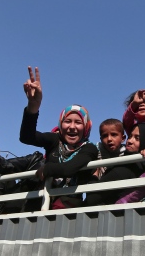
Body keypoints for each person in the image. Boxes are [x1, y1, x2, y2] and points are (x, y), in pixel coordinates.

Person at [19, 66, 99, 209]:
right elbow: (27, 137)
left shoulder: (90, 148)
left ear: (86, 127)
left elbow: (69, 169)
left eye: (78, 122)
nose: (72, 127)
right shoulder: (55, 140)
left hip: (67, 213)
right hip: (39, 205)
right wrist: (33, 105)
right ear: (60, 124)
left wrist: (47, 169)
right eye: (67, 121)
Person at [86, 123, 145, 205]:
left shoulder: (126, 167)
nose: (130, 141)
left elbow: (91, 198)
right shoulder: (144, 166)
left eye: (137, 138)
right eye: (130, 136)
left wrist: (94, 176)